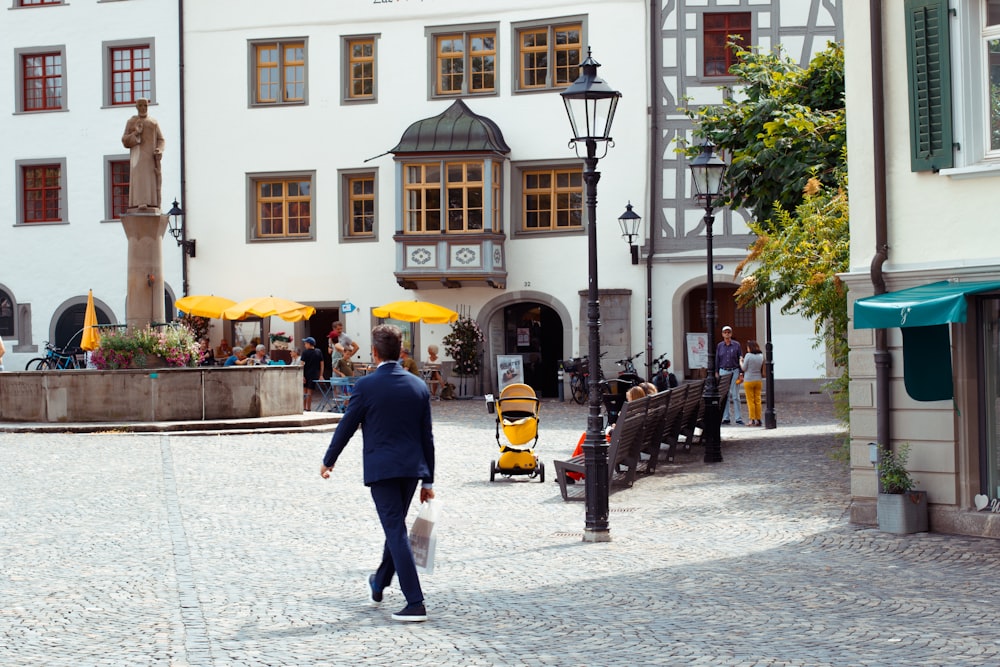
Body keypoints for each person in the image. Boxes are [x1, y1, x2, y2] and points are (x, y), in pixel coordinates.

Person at [321, 324, 436, 623]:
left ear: (374, 353)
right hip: (411, 470)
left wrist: (328, 460)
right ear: (400, 352)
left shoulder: (366, 386)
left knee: (395, 531)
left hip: (383, 469)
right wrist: (429, 479)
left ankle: (415, 602)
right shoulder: (418, 386)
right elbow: (428, 437)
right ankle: (380, 581)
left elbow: (347, 425)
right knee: (395, 527)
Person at [563, 385, 647, 484]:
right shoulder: (640, 412)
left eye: (629, 399)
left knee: (587, 437)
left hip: (615, 445)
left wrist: (613, 429)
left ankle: (571, 472)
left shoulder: (631, 413)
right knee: (586, 437)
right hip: (624, 445)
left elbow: (619, 432)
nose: (627, 401)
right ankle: (573, 473)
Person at [120, 98, 165, 211]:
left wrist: (159, 149)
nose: (143, 108)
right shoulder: (131, 122)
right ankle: (139, 202)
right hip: (137, 158)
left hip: (150, 158)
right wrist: (136, 133)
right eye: (140, 106)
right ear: (137, 107)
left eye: (145, 105)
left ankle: (152, 203)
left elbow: (161, 139)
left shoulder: (153, 122)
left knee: (150, 179)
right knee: (139, 179)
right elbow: (125, 140)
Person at [717, 325, 744, 425]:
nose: (727, 334)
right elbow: (717, 359)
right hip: (723, 371)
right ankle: (726, 417)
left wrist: (741, 373)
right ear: (722, 334)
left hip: (734, 371)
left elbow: (740, 358)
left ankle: (738, 418)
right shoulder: (720, 346)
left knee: (735, 395)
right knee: (725, 395)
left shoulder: (736, 345)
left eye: (728, 332)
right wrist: (717, 371)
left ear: (731, 334)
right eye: (725, 332)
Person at [740, 340, 766, 426]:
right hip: (758, 380)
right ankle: (758, 419)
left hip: (748, 380)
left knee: (750, 401)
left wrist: (741, 361)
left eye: (747, 347)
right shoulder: (761, 356)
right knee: (758, 400)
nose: (747, 349)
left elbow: (744, 368)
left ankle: (751, 419)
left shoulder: (748, 355)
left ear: (750, 348)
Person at [301, 337, 324, 411]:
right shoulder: (318, 352)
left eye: (305, 343)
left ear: (308, 344)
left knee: (304, 391)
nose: (304, 345)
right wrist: (321, 375)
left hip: (305, 374)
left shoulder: (305, 352)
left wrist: (302, 375)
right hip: (314, 374)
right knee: (310, 392)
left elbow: (302, 364)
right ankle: (309, 408)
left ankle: (304, 407)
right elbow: (322, 364)